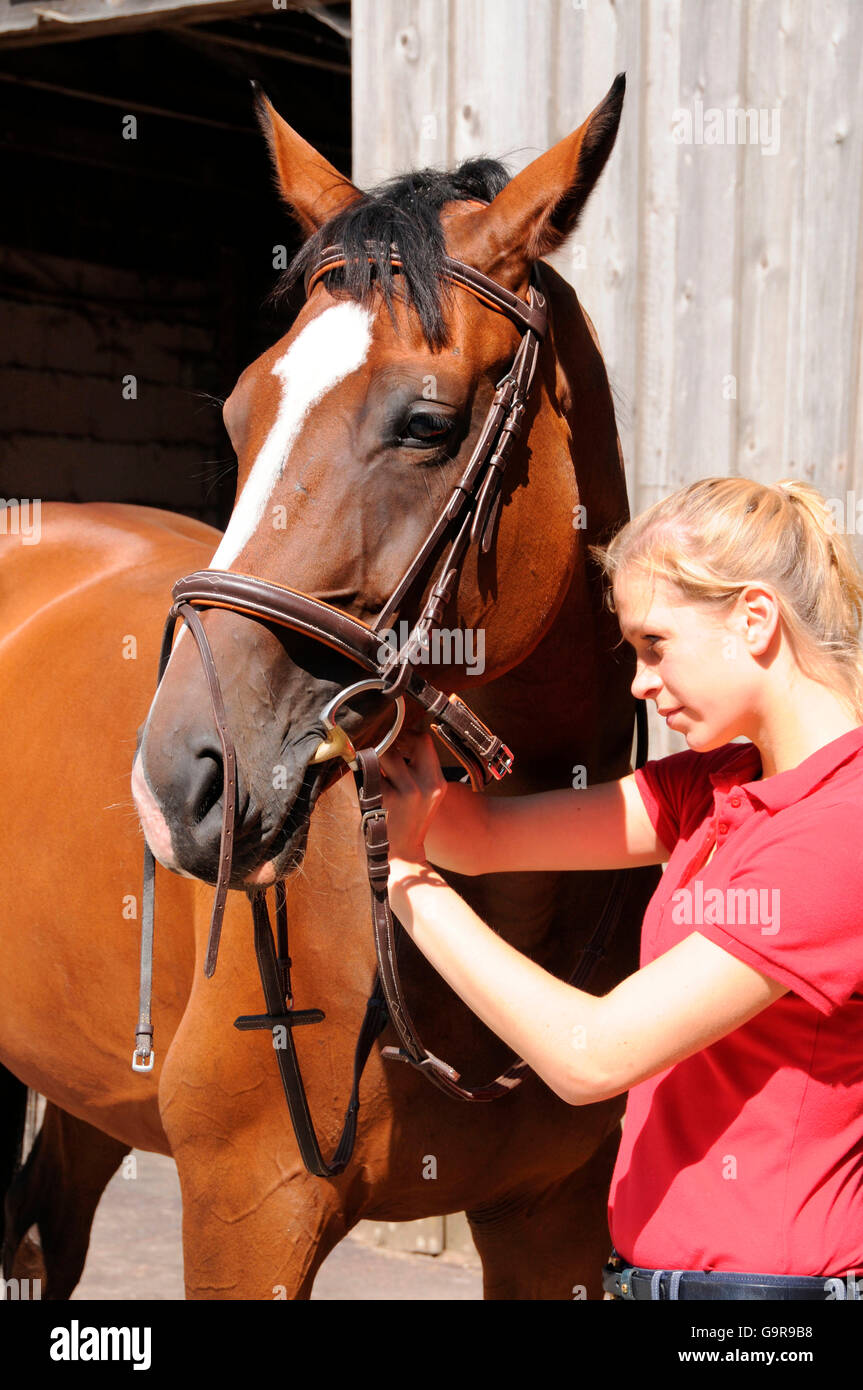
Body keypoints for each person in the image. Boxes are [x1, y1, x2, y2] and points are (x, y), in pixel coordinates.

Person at [369, 476, 863, 1301]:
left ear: (754, 619)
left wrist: (409, 882)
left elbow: (590, 1056)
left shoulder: (835, 834)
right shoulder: (710, 785)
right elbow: (482, 838)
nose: (637, 681)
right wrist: (391, 724)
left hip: (766, 1312)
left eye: (654, 644)